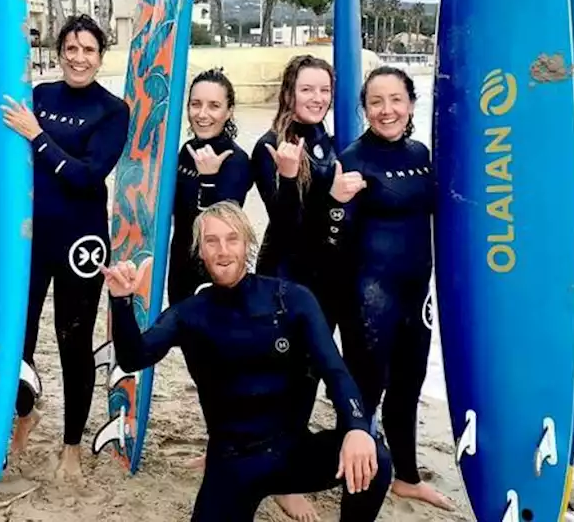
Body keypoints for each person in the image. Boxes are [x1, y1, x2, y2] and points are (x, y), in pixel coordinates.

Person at [101, 201, 391, 521]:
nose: (223, 250)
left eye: (232, 239)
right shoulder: (189, 314)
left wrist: (356, 427)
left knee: (374, 458)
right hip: (232, 464)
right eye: (212, 241)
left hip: (292, 452)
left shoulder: (292, 300)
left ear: (248, 243)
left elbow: (334, 369)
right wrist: (121, 300)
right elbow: (133, 358)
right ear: (201, 251)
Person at [1, 14, 130, 482]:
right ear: (59, 54)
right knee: (20, 334)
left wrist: (36, 135)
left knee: (73, 340)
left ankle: (72, 445)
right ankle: (23, 415)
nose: (79, 58)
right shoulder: (38, 97)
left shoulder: (113, 111)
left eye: (88, 50)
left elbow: (86, 175)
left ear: (101, 55)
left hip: (82, 241)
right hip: (32, 236)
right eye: (71, 49)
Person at [327, 67, 454, 510]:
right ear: (365, 109)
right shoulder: (354, 159)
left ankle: (406, 476)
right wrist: (337, 203)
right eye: (376, 102)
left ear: (412, 104)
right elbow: (332, 239)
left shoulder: (422, 152)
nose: (387, 111)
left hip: (416, 294)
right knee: (367, 388)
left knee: (409, 382)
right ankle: (355, 484)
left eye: (396, 100)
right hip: (368, 296)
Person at [250, 54, 343, 520]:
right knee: (277, 372)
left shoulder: (331, 141)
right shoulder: (269, 146)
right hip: (283, 275)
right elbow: (288, 227)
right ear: (289, 93)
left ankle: (281, 463)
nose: (317, 99)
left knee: (307, 374)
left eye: (324, 90)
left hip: (323, 277)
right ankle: (279, 478)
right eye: (307, 90)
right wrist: (296, 179)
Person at [169, 68, 252, 305]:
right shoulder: (186, 151)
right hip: (180, 267)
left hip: (218, 272)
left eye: (214, 106)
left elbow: (220, 228)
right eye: (195, 104)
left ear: (229, 111)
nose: (202, 114)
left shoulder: (236, 160)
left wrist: (208, 179)